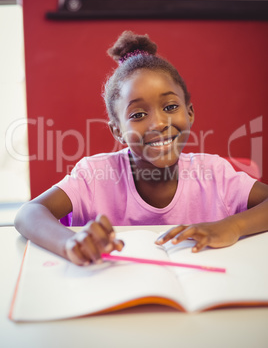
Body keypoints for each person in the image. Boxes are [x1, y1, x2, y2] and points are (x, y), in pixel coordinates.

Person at [15, 31, 268, 266]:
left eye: (170, 107)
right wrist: (69, 242)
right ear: (117, 131)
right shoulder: (94, 176)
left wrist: (232, 227)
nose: (158, 123)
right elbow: (28, 214)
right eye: (137, 114)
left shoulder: (216, 175)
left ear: (189, 113)